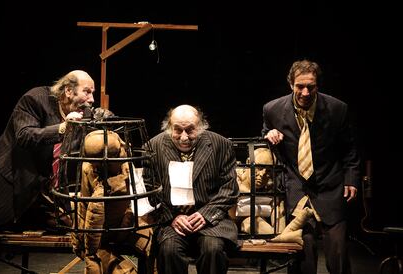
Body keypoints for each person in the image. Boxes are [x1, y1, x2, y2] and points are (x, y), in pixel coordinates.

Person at [262, 59, 360, 274]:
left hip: (330, 187)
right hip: (296, 188)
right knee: (301, 257)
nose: (305, 92)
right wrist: (269, 135)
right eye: (300, 86)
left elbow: (349, 149)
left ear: (318, 86)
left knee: (338, 257)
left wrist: (351, 179)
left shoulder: (337, 109)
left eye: (311, 87)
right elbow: (265, 134)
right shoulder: (273, 110)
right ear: (291, 85)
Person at [0, 70, 95, 230]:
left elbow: (95, 122)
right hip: (13, 180)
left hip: (44, 188)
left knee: (73, 227)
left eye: (92, 93)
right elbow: (24, 136)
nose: (91, 99)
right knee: (1, 229)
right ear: (68, 90)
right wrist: (62, 128)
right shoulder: (35, 99)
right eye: (87, 92)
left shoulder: (82, 112)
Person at [142, 104, 239, 274]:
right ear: (168, 127)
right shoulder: (152, 147)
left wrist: (205, 215)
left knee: (213, 249)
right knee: (169, 250)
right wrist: (172, 217)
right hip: (172, 221)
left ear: (201, 127)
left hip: (211, 222)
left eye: (190, 130)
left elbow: (229, 189)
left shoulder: (221, 145)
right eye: (178, 130)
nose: (184, 137)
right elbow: (150, 191)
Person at [72, 129, 156, 274]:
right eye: (120, 147)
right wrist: (89, 251)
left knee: (156, 248)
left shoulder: (123, 166)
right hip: (103, 236)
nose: (125, 145)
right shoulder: (100, 184)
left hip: (127, 223)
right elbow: (92, 219)